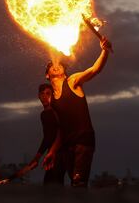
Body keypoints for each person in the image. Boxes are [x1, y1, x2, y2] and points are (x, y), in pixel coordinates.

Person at [42, 37, 112, 187]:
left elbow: (94, 70)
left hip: (83, 141)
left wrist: (104, 51)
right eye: (51, 65)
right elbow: (61, 129)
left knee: (78, 185)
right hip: (68, 146)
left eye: (60, 65)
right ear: (47, 75)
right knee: (74, 185)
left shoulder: (72, 82)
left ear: (64, 72)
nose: (56, 65)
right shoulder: (52, 101)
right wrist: (52, 151)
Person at [24, 83, 63, 185]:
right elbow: (47, 138)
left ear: (53, 95)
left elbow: (61, 131)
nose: (45, 96)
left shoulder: (57, 111)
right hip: (52, 154)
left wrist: (51, 153)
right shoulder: (44, 114)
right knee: (51, 184)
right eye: (42, 94)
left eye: (48, 93)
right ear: (38, 96)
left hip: (61, 153)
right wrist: (37, 158)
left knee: (52, 185)